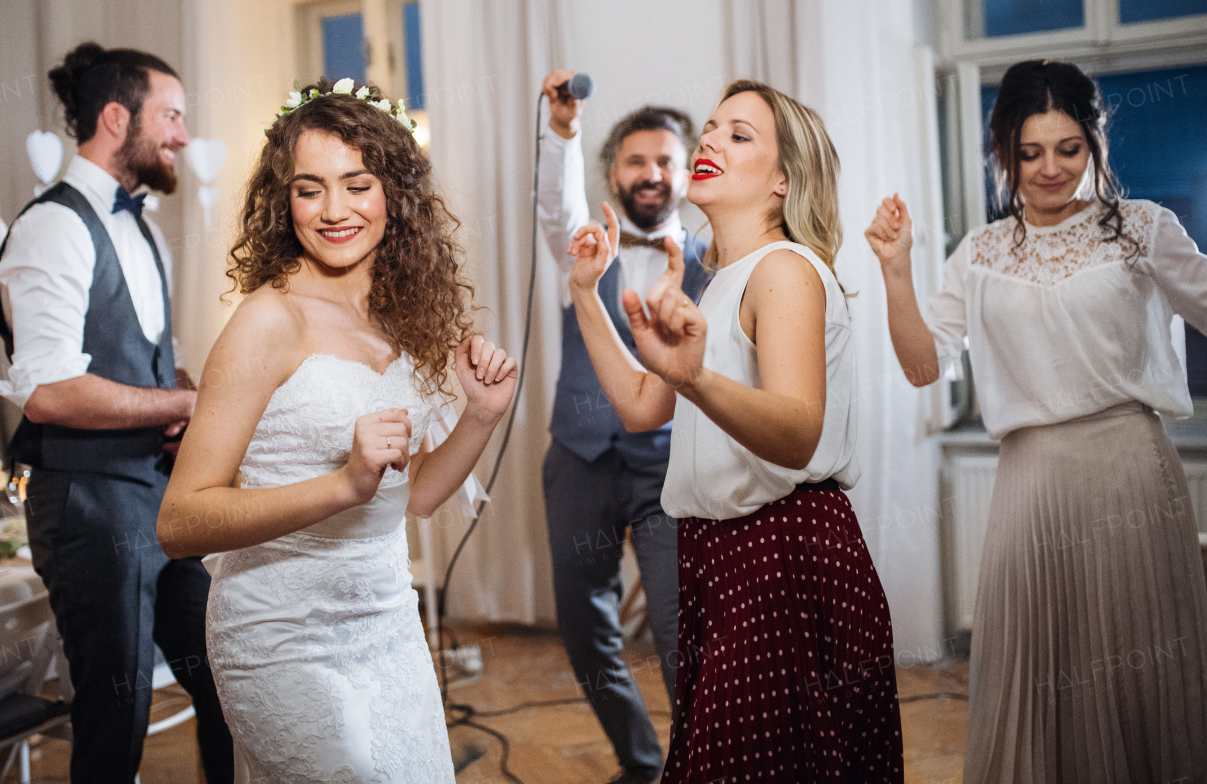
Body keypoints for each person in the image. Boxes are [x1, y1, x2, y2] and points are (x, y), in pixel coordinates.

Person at [156, 78, 517, 781]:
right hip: (280, 638)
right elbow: (180, 522)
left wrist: (479, 416)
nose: (334, 211)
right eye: (309, 188)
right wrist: (341, 485)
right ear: (282, 199)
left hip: (386, 625)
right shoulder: (269, 319)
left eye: (357, 184)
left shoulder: (400, 319)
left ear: (396, 194)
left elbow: (410, 499)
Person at [865, 59, 1207, 783]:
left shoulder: (1144, 229)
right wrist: (896, 271)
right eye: (1030, 152)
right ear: (1004, 155)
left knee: (1140, 669)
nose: (1049, 168)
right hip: (1031, 486)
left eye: (1068, 148)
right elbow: (925, 367)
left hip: (1132, 477)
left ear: (1094, 145)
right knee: (1038, 667)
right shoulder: (980, 255)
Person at [569, 79, 903, 783]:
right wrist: (583, 293)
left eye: (739, 134)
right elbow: (639, 405)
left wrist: (694, 377)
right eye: (713, 128)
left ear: (784, 180)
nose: (710, 140)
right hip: (720, 560)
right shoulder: (718, 282)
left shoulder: (783, 270)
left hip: (782, 555)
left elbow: (798, 431)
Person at [0, 43, 233, 783]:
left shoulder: (146, 229)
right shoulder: (51, 228)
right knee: (114, 717)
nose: (183, 138)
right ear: (116, 116)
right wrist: (187, 402)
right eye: (172, 116)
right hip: (89, 507)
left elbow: (142, 360)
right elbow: (50, 390)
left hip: (164, 498)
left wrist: (185, 392)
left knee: (229, 681)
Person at [535, 70, 710, 783]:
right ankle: (642, 763)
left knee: (680, 637)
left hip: (671, 466)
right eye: (637, 160)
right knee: (584, 629)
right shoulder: (585, 247)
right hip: (578, 457)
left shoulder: (713, 263)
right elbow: (556, 205)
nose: (651, 173)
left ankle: (696, 768)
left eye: (666, 160)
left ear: (688, 171)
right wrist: (564, 132)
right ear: (614, 171)